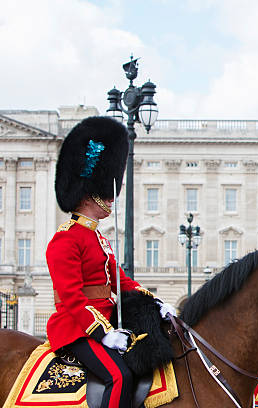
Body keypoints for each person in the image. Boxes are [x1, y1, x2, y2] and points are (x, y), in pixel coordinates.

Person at [46, 117, 176, 408]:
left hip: (110, 323)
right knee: (117, 376)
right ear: (91, 195)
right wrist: (102, 332)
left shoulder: (96, 238)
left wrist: (155, 302)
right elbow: (71, 297)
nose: (111, 198)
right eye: (106, 193)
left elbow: (120, 280)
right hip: (75, 329)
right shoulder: (65, 240)